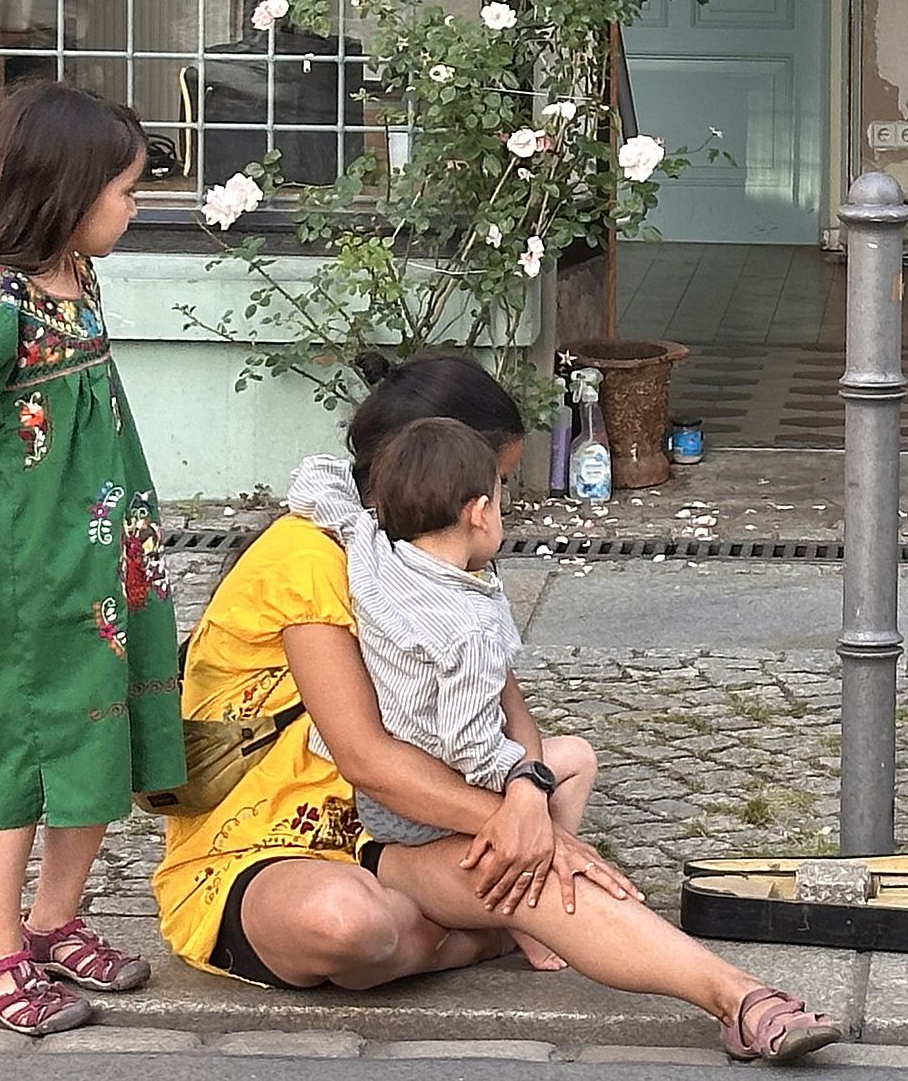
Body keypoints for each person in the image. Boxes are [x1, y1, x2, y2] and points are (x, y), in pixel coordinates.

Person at [151, 351, 840, 1063]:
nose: (498, 504)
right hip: (263, 847)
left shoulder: (439, 555)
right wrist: (523, 825)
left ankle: (743, 1002)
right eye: (499, 483)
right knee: (349, 923)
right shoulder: (311, 555)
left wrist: (526, 791)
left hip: (389, 834)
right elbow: (363, 757)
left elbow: (509, 709)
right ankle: (470, 937)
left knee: (542, 870)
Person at [0, 80, 186, 1035]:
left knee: (104, 730)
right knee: (22, 748)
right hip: (24, 573)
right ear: (66, 191)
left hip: (105, 563)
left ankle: (55, 920)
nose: (134, 210)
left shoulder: (76, 275)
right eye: (126, 192)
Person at [285, 422, 593, 866]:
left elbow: (315, 480)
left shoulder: (368, 547)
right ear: (480, 512)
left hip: (377, 804)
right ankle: (535, 867)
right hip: (435, 802)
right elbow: (467, 743)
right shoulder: (472, 627)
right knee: (577, 761)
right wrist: (521, 786)